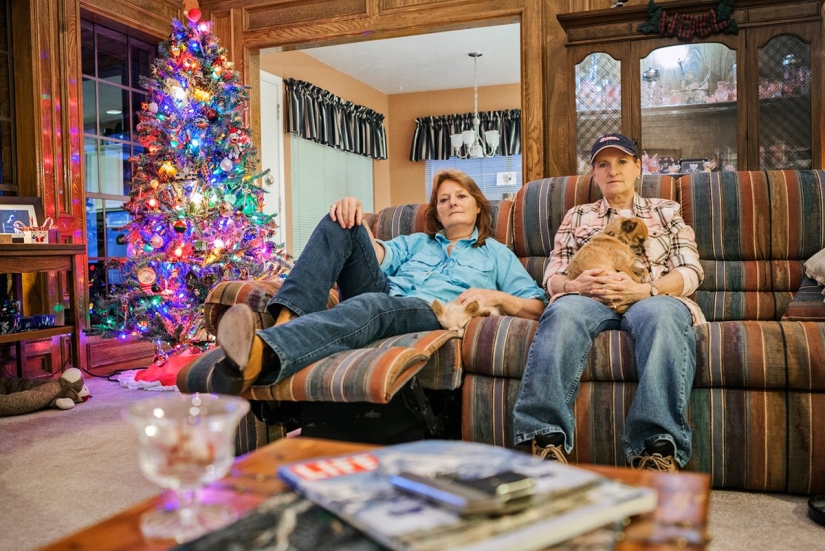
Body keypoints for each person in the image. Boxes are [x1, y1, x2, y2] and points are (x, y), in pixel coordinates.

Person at [204, 168, 547, 396]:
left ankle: (263, 352)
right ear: (437, 212)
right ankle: (280, 329)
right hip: (385, 295)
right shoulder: (418, 241)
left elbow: (536, 307)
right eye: (444, 199)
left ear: (477, 208)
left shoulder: (497, 254)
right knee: (338, 220)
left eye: (460, 197)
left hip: (434, 312)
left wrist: (494, 296)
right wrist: (352, 211)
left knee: (372, 305)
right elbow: (375, 255)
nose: (451, 203)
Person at [512, 133, 706, 472]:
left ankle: (656, 448)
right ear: (594, 174)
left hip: (650, 297)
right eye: (603, 164)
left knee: (664, 316)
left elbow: (690, 270)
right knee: (562, 312)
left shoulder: (666, 211)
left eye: (621, 162)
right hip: (590, 299)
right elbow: (552, 275)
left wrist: (647, 291)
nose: (612, 170)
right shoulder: (578, 215)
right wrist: (573, 284)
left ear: (637, 167)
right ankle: (544, 440)